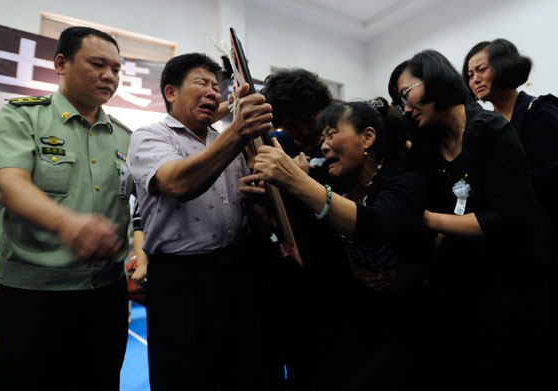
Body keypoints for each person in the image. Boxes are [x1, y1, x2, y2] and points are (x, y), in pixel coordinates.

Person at [0, 27, 132, 391]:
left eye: (117, 69)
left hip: (105, 296)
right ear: (61, 63)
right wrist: (68, 225)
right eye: (98, 64)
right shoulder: (22, 117)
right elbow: (10, 185)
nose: (110, 76)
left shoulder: (125, 137)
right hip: (31, 297)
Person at [241, 100, 435, 390]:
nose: (324, 146)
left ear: (368, 136)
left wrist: (295, 180)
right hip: (360, 310)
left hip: (412, 312)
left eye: (332, 134)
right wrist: (261, 193)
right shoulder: (334, 181)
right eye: (324, 138)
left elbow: (376, 226)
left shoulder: (405, 181)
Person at [389, 50, 552, 387]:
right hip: (466, 281)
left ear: (434, 79)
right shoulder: (425, 144)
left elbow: (505, 220)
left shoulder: (489, 129)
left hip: (517, 278)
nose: (405, 107)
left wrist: (427, 219)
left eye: (406, 94)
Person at [127, 53, 283, 391]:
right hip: (180, 282)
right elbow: (179, 184)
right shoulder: (150, 137)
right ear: (171, 91)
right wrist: (239, 130)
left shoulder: (223, 141)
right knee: (185, 375)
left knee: (239, 372)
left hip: (235, 274)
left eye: (216, 85)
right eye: (202, 83)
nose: (213, 92)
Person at [260, 68, 348, 391]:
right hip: (297, 277)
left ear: (324, 106)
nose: (301, 132)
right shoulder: (276, 144)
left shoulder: (347, 134)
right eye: (290, 125)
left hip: (346, 272)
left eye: (308, 120)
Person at [463, 38, 558, 232]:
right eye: (470, 75)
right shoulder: (483, 125)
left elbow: (551, 172)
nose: (475, 80)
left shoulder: (540, 110)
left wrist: (499, 185)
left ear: (504, 66)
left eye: (481, 70)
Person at [263, 68, 332, 161]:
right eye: (292, 126)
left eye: (309, 120)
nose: (304, 132)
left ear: (322, 110)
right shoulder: (272, 144)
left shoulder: (337, 146)